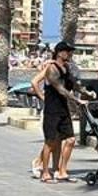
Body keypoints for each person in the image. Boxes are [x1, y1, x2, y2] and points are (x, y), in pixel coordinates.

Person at [31, 43, 79, 182]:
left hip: (63, 109)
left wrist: (85, 93)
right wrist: (42, 96)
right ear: (59, 53)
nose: (70, 54)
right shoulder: (50, 67)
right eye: (68, 51)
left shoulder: (66, 68)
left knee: (65, 139)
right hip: (51, 110)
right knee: (52, 141)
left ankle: (59, 170)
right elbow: (34, 82)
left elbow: (72, 85)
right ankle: (42, 167)